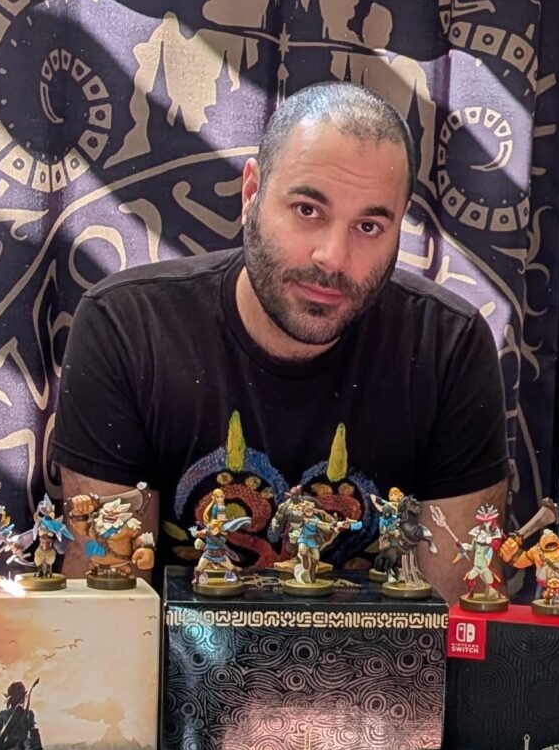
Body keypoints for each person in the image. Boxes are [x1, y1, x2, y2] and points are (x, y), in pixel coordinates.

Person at [47, 80, 507, 598]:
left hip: (384, 655)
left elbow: (455, 616)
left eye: (369, 226)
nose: (332, 257)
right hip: (169, 653)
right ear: (252, 194)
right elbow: (107, 605)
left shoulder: (449, 348)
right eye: (308, 210)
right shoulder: (128, 329)